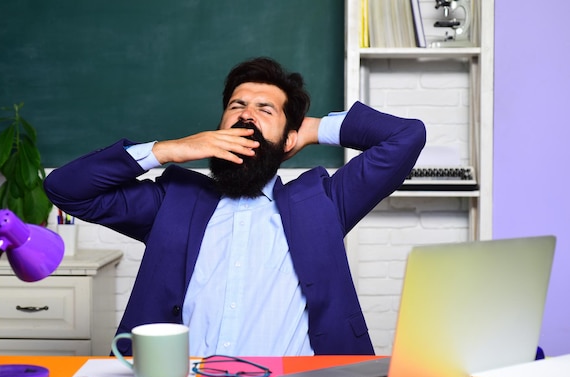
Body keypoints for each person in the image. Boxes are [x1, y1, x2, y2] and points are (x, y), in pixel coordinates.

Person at [44, 57, 425, 357]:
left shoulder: (323, 202)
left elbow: (406, 136)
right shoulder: (172, 201)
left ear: (289, 137)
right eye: (236, 106)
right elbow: (67, 190)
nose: (247, 115)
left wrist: (310, 129)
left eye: (265, 110)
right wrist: (169, 150)